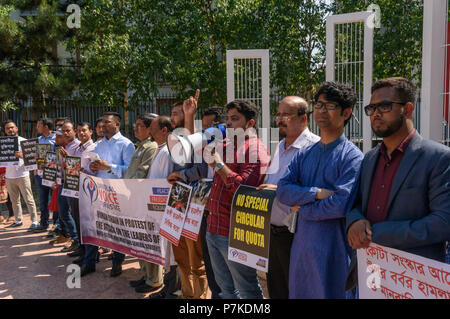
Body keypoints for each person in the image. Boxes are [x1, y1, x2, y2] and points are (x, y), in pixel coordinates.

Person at [345, 77, 450, 289]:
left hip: (413, 279)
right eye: (371, 108)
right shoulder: (369, 159)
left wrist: (377, 233)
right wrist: (355, 222)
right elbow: (355, 204)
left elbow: (443, 222)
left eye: (384, 106)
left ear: (408, 109)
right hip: (370, 273)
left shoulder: (438, 158)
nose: (376, 113)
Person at [277, 82, 363, 299]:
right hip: (302, 249)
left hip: (334, 250)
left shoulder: (352, 157)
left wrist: (302, 209)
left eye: (330, 105)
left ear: (346, 112)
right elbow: (283, 191)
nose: (322, 110)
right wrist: (315, 193)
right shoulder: (304, 153)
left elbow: (342, 203)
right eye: (319, 104)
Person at [205, 100, 270, 299]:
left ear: (250, 123)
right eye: (228, 118)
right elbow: (196, 144)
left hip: (235, 232)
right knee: (225, 289)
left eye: (235, 119)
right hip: (214, 227)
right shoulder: (225, 145)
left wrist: (217, 163)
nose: (229, 123)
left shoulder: (255, 150)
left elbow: (242, 189)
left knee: (247, 289)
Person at [256, 96, 320, 299]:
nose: (279, 119)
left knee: (298, 290)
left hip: (296, 234)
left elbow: (316, 191)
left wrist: (278, 189)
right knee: (276, 288)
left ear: (304, 118)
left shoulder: (315, 148)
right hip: (273, 232)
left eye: (286, 115)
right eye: (278, 114)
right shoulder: (281, 146)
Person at [166, 105, 226, 299]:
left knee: (201, 259)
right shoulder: (186, 140)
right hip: (183, 201)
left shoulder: (227, 146)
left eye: (177, 113)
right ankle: (188, 293)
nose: (207, 131)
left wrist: (181, 174)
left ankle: (200, 295)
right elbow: (195, 167)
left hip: (206, 208)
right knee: (183, 255)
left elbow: (198, 170)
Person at [81, 112, 135, 277]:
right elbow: (92, 164)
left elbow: (131, 171)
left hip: (117, 193)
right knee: (93, 225)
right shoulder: (99, 145)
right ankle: (89, 262)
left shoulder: (127, 145)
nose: (102, 126)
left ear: (117, 124)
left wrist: (109, 167)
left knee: (117, 229)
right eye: (102, 123)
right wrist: (92, 167)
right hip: (99, 192)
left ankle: (117, 262)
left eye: (106, 122)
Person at [124, 114, 163, 294]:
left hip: (143, 198)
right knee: (139, 238)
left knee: (148, 239)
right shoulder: (139, 146)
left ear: (149, 129)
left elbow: (142, 172)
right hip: (134, 196)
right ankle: (145, 274)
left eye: (140, 126)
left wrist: (126, 184)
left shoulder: (151, 147)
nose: (136, 128)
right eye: (135, 125)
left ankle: (154, 280)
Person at [147, 116, 182, 299]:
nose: (149, 131)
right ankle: (167, 289)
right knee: (166, 254)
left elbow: (169, 181)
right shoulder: (161, 149)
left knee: (172, 253)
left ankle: (173, 291)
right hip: (157, 208)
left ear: (164, 130)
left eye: (152, 127)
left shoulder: (169, 152)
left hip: (166, 208)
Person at [68, 122, 96, 264]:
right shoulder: (79, 148)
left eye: (84, 130)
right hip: (74, 187)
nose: (81, 133)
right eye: (79, 131)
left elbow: (94, 169)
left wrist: (84, 172)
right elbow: (72, 165)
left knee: (87, 222)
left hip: (86, 190)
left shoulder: (93, 147)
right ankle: (82, 248)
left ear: (91, 131)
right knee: (77, 218)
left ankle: (91, 254)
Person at [3, 120, 39, 230]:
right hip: (9, 176)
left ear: (17, 128)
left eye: (12, 127)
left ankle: (34, 221)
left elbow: (33, 158)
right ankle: (18, 220)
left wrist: (22, 155)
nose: (10, 130)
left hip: (23, 175)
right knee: (15, 201)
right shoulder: (3, 143)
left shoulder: (24, 142)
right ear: (5, 130)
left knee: (29, 199)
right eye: (8, 128)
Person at [57, 120, 81, 253]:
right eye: (63, 131)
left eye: (68, 130)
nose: (65, 133)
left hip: (72, 184)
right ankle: (74, 238)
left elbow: (77, 166)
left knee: (73, 213)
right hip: (62, 183)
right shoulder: (64, 146)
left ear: (74, 131)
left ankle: (77, 240)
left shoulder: (77, 146)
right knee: (63, 212)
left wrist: (68, 158)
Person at [33, 118, 56, 232]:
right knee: (42, 201)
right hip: (40, 174)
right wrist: (35, 160)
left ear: (46, 127)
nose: (37, 128)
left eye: (39, 125)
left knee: (55, 200)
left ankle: (57, 226)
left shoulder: (57, 138)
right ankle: (44, 223)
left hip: (53, 174)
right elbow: (35, 155)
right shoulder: (38, 139)